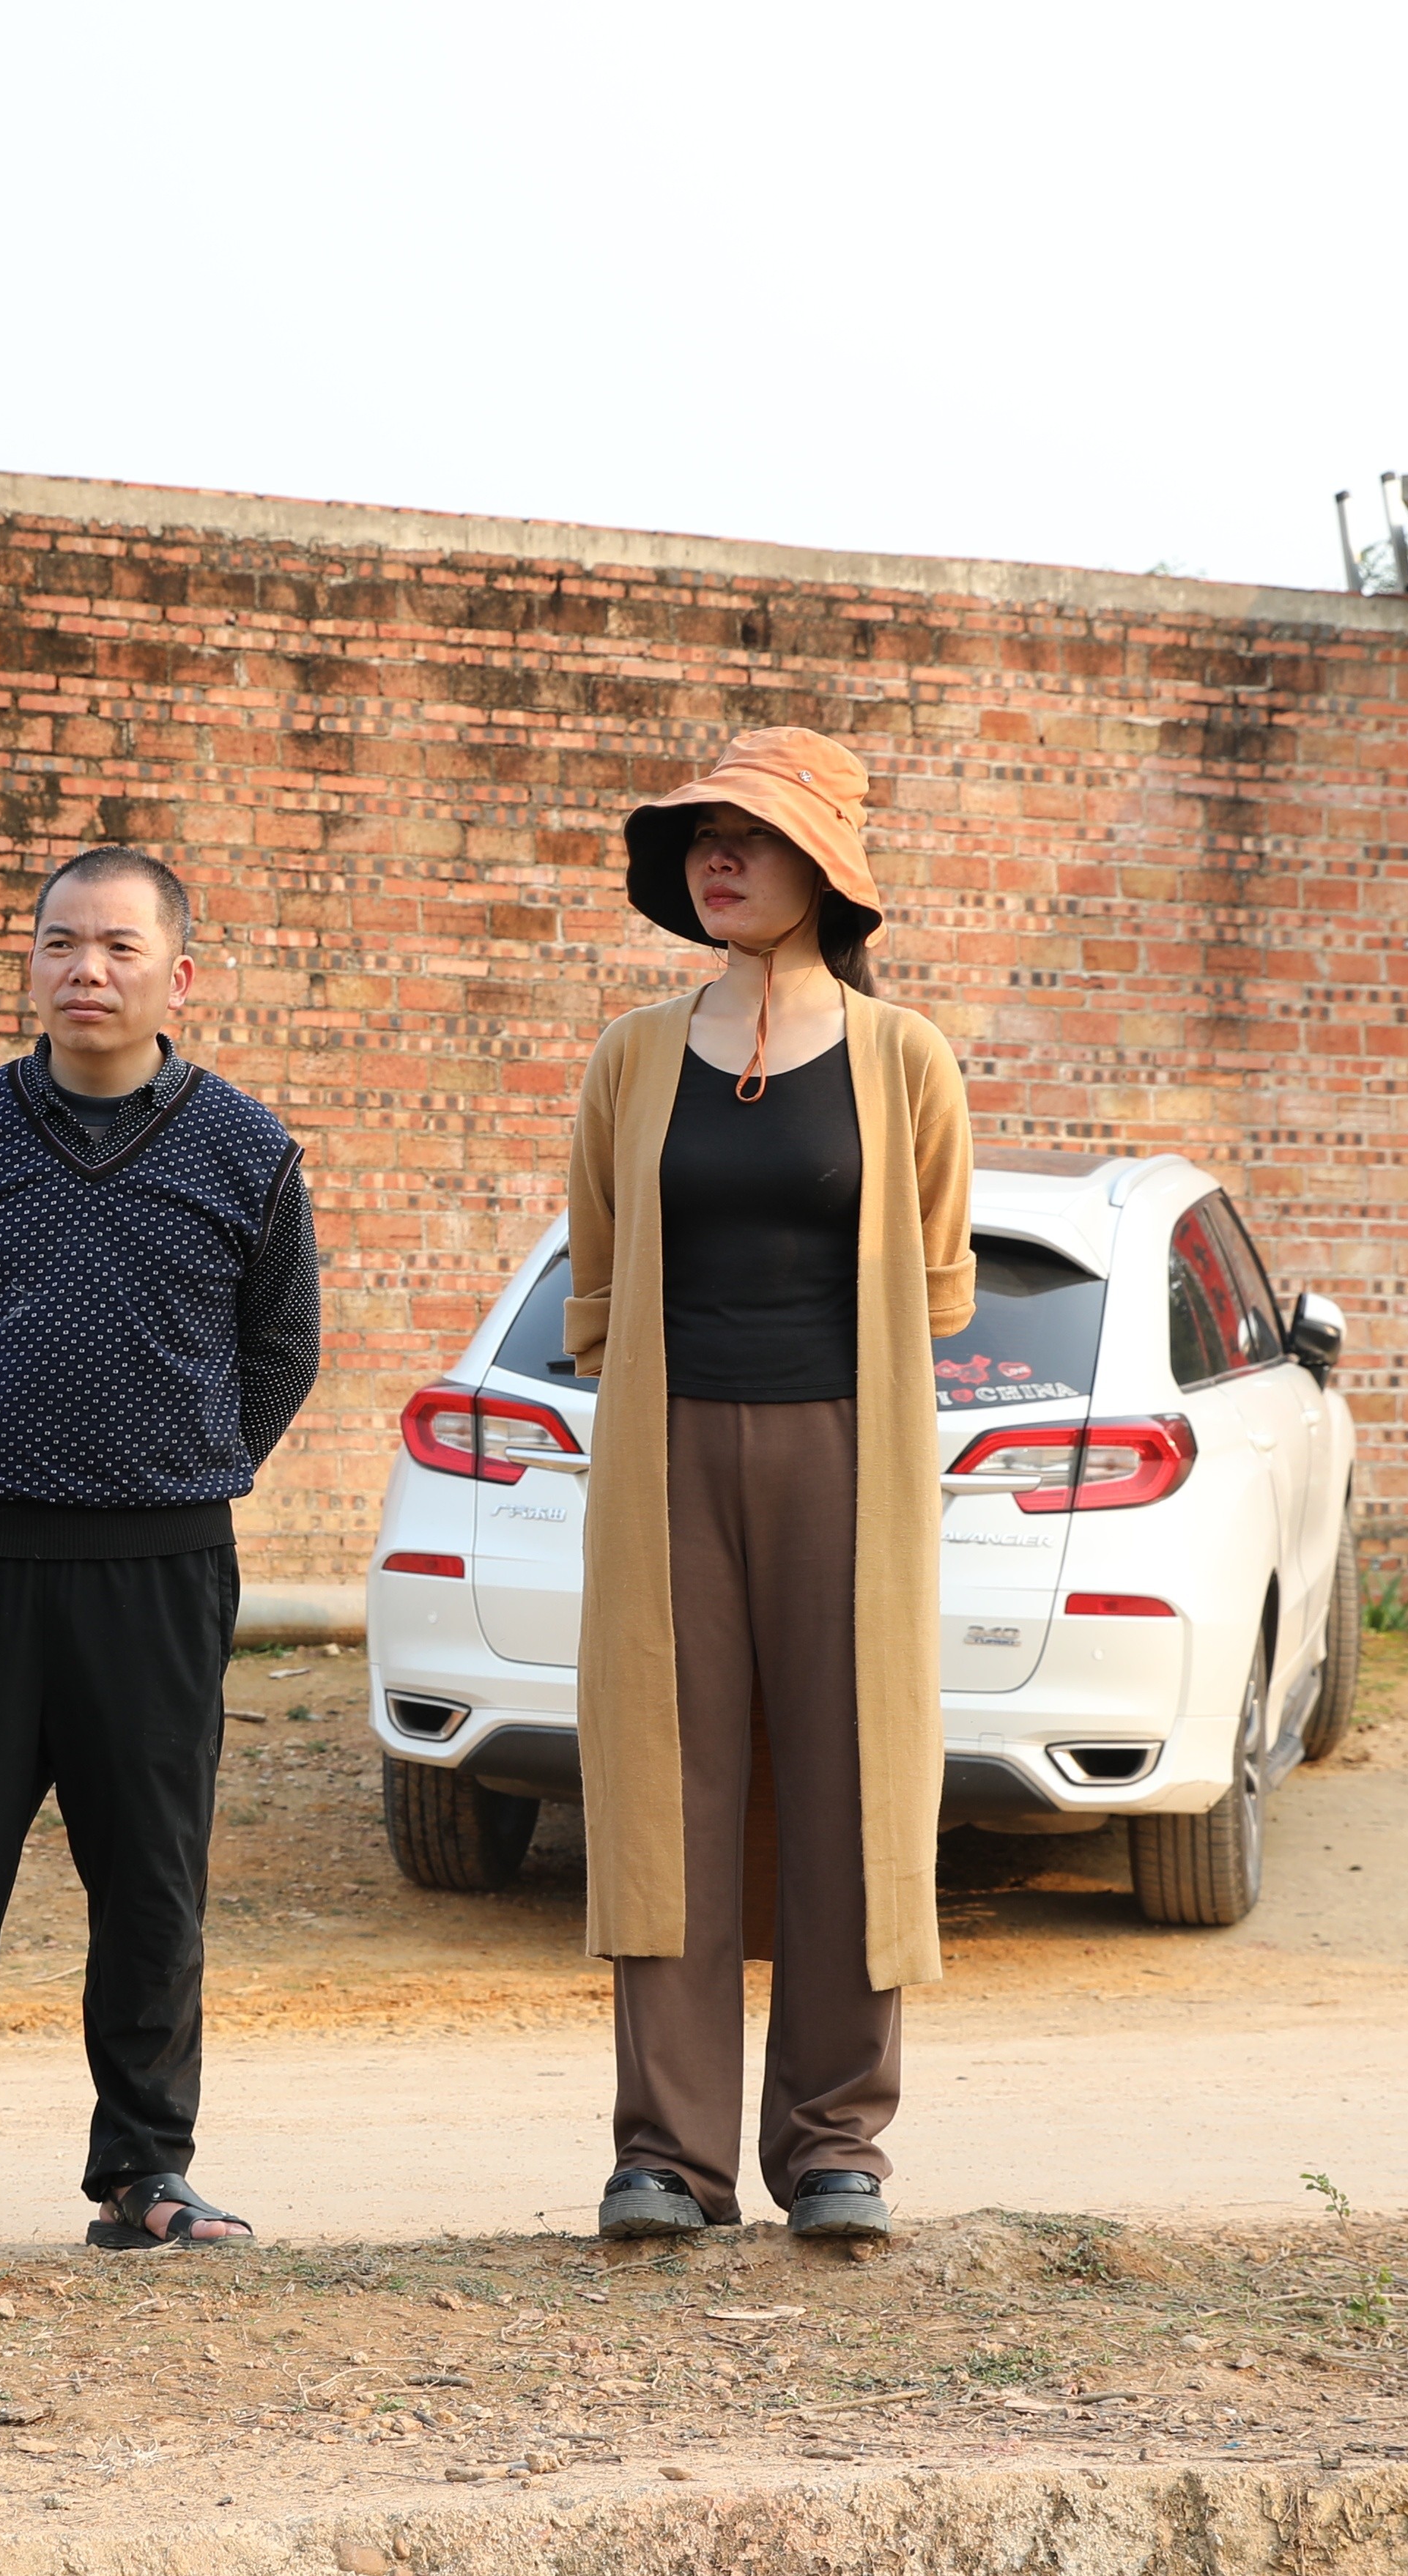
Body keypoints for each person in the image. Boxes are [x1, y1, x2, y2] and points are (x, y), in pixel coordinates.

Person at [0, 845, 316, 2269]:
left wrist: (184, 1463)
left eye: (119, 946)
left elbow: (281, 1347)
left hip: (164, 1563)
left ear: (178, 975)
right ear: (30, 963)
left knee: (152, 1878)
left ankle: (146, 2166)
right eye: (60, 944)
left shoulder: (247, 1150)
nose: (86, 970)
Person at [560, 725, 971, 2246]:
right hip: (666, 1455)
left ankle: (834, 2143)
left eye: (754, 834)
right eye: (701, 835)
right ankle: (667, 2154)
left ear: (828, 868)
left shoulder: (904, 1055)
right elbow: (600, 1280)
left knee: (854, 1782)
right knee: (666, 1789)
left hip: (848, 1455)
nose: (718, 857)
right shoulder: (632, 1054)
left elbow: (937, 1284)